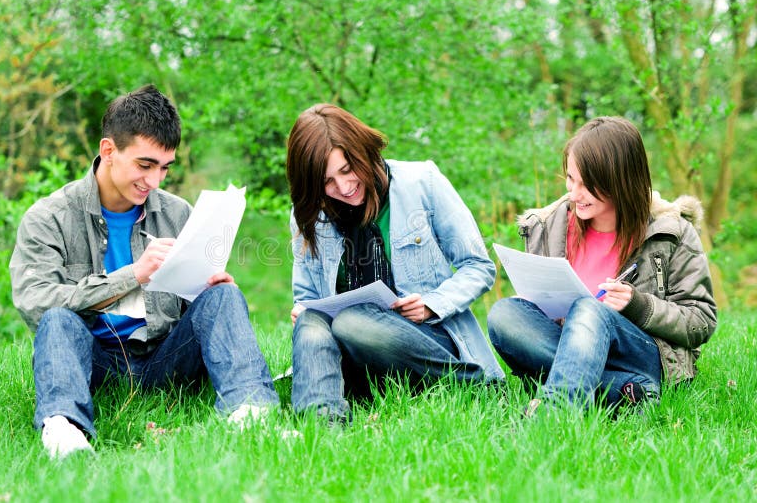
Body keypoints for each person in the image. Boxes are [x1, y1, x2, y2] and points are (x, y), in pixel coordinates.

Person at [10, 85, 279, 459]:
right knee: (56, 320)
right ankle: (64, 429)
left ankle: (252, 413)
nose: (154, 181)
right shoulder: (49, 218)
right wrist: (133, 275)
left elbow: (196, 308)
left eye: (164, 168)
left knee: (225, 295)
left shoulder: (178, 213)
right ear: (108, 151)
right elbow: (35, 303)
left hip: (165, 359)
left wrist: (208, 290)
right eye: (145, 165)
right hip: (96, 362)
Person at [285, 103, 505, 423]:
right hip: (359, 361)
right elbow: (305, 297)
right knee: (311, 322)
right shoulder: (307, 216)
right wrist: (303, 310)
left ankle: (470, 385)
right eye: (327, 182)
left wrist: (432, 303)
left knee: (350, 320)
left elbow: (479, 266)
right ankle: (323, 425)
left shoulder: (422, 182)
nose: (344, 188)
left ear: (363, 152)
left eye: (347, 170)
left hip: (426, 344)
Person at [487, 116, 717, 415]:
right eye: (570, 179)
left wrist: (638, 305)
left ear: (621, 181)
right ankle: (627, 392)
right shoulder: (550, 225)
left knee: (589, 307)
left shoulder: (670, 232)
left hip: (638, 353)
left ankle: (553, 415)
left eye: (588, 185)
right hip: (569, 343)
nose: (574, 193)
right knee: (505, 313)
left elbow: (702, 320)